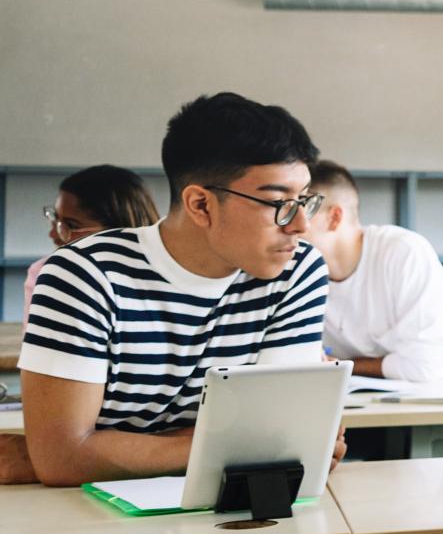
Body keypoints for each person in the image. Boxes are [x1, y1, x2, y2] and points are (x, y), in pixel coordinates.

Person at [2, 93, 335, 487]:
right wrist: (236, 445)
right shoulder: (82, 275)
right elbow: (62, 460)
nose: (300, 225)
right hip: (86, 522)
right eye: (278, 202)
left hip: (230, 512)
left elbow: (282, 441)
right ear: (201, 205)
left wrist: (112, 448)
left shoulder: (297, 269)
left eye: (304, 200)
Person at [304, 161, 443, 384]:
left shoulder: (403, 252)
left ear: (334, 218)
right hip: (356, 402)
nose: (288, 224)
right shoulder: (294, 269)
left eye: (301, 210)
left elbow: (428, 365)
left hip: (437, 400)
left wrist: (341, 365)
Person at [24, 165, 160, 309]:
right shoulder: (45, 273)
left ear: (117, 230)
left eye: (71, 225)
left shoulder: (170, 277)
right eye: (56, 218)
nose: (53, 234)